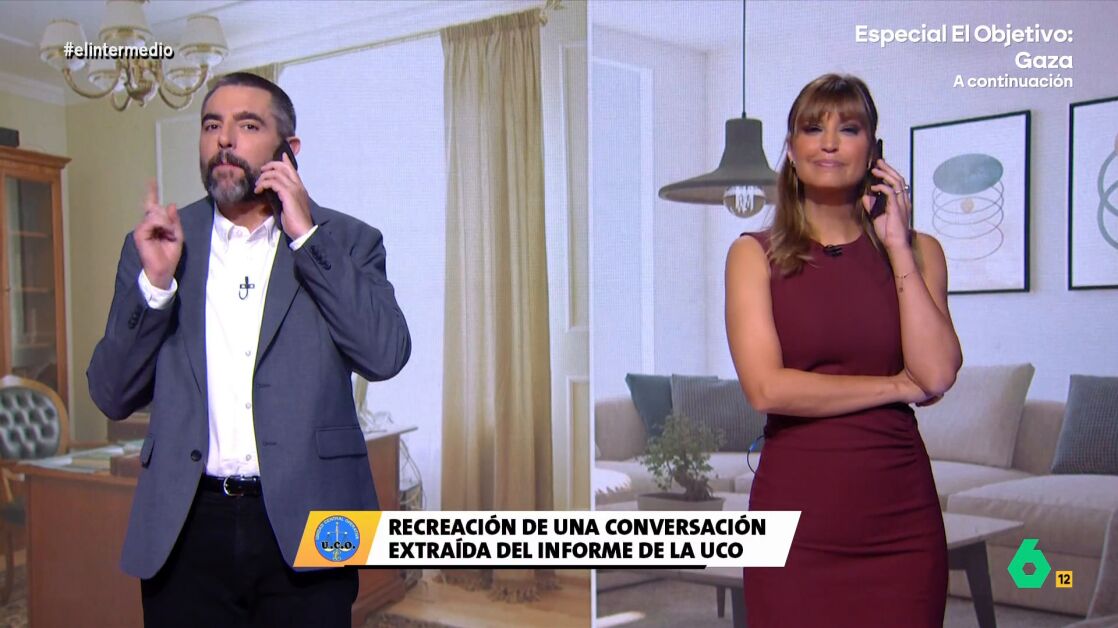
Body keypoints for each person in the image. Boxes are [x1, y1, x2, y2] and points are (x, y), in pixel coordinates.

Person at [87, 72, 411, 627]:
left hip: (311, 518)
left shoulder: (347, 240)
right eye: (212, 125)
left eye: (248, 125)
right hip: (184, 527)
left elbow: (385, 355)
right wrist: (156, 286)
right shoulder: (157, 244)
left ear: (290, 150)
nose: (224, 140)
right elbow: (111, 394)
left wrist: (307, 237)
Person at [726, 74, 963, 626]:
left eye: (848, 129)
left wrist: (897, 243)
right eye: (813, 128)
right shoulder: (753, 255)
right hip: (795, 524)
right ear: (791, 150)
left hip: (901, 523)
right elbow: (767, 388)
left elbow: (936, 374)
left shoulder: (921, 251)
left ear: (874, 151)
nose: (829, 143)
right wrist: (896, 385)